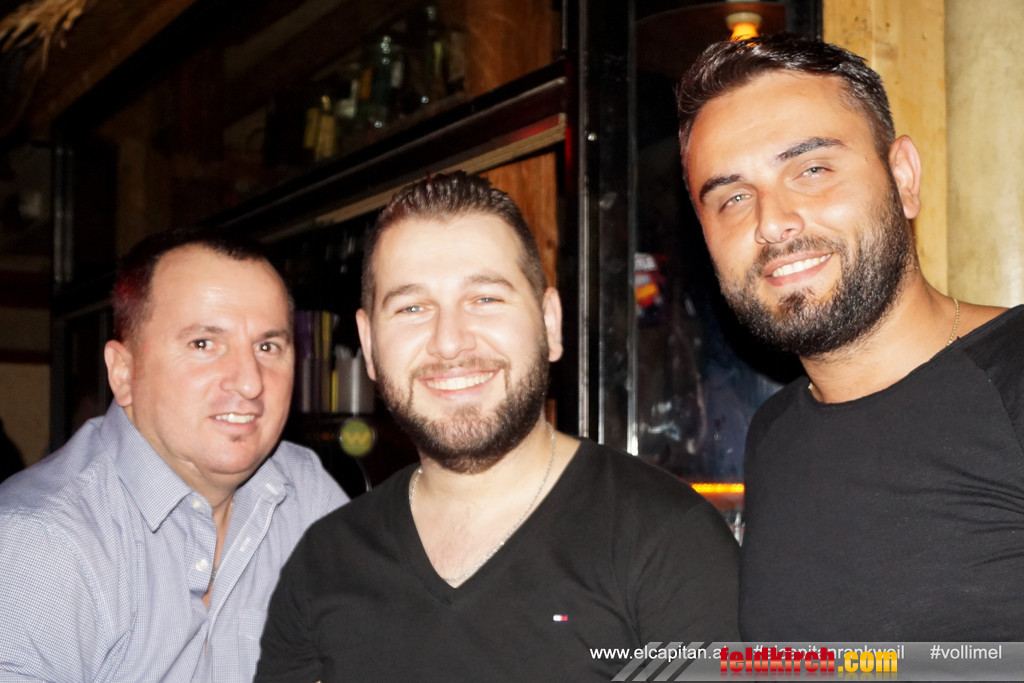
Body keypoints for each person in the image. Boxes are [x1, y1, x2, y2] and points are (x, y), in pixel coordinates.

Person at [255, 171, 739, 681]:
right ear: (370, 345)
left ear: (550, 324)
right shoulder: (324, 560)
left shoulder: (670, 542)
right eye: (412, 307)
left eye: (485, 299)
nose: (449, 341)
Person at [676, 32, 1024, 641]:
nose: (772, 222)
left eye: (812, 169)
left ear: (903, 178)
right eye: (732, 197)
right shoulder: (774, 434)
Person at [0, 229, 348, 680]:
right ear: (123, 373)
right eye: (203, 344)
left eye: (268, 347)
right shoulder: (41, 541)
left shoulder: (304, 491)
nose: (250, 382)